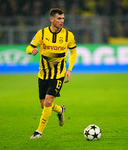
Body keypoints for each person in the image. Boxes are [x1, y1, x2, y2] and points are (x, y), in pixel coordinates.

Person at [26, 8, 77, 139]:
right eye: (59, 18)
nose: (62, 21)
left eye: (63, 18)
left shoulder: (68, 35)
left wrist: (69, 70)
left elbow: (73, 52)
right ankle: (60, 110)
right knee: (43, 105)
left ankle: (38, 132)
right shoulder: (41, 33)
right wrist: (31, 50)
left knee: (48, 102)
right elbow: (29, 47)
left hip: (58, 75)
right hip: (43, 74)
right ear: (52, 19)